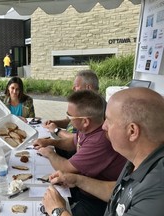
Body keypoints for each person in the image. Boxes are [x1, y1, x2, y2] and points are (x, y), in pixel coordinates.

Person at [42, 87, 164, 216]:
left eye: (109, 121)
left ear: (132, 131)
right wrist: (77, 180)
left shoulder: (156, 191)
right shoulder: (137, 160)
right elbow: (118, 191)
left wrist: (58, 211)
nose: (104, 126)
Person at [33, 90, 126, 216]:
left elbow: (66, 168)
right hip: (84, 185)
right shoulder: (87, 130)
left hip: (97, 199)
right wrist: (50, 142)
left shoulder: (99, 140)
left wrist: (49, 153)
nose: (69, 120)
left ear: (85, 121)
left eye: (70, 116)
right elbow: (73, 142)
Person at [43, 70, 101, 159]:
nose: (73, 88)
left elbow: (80, 139)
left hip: (74, 153)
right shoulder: (84, 102)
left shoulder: (97, 108)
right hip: (68, 145)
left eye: (76, 86)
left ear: (88, 87)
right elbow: (71, 121)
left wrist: (56, 130)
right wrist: (55, 122)